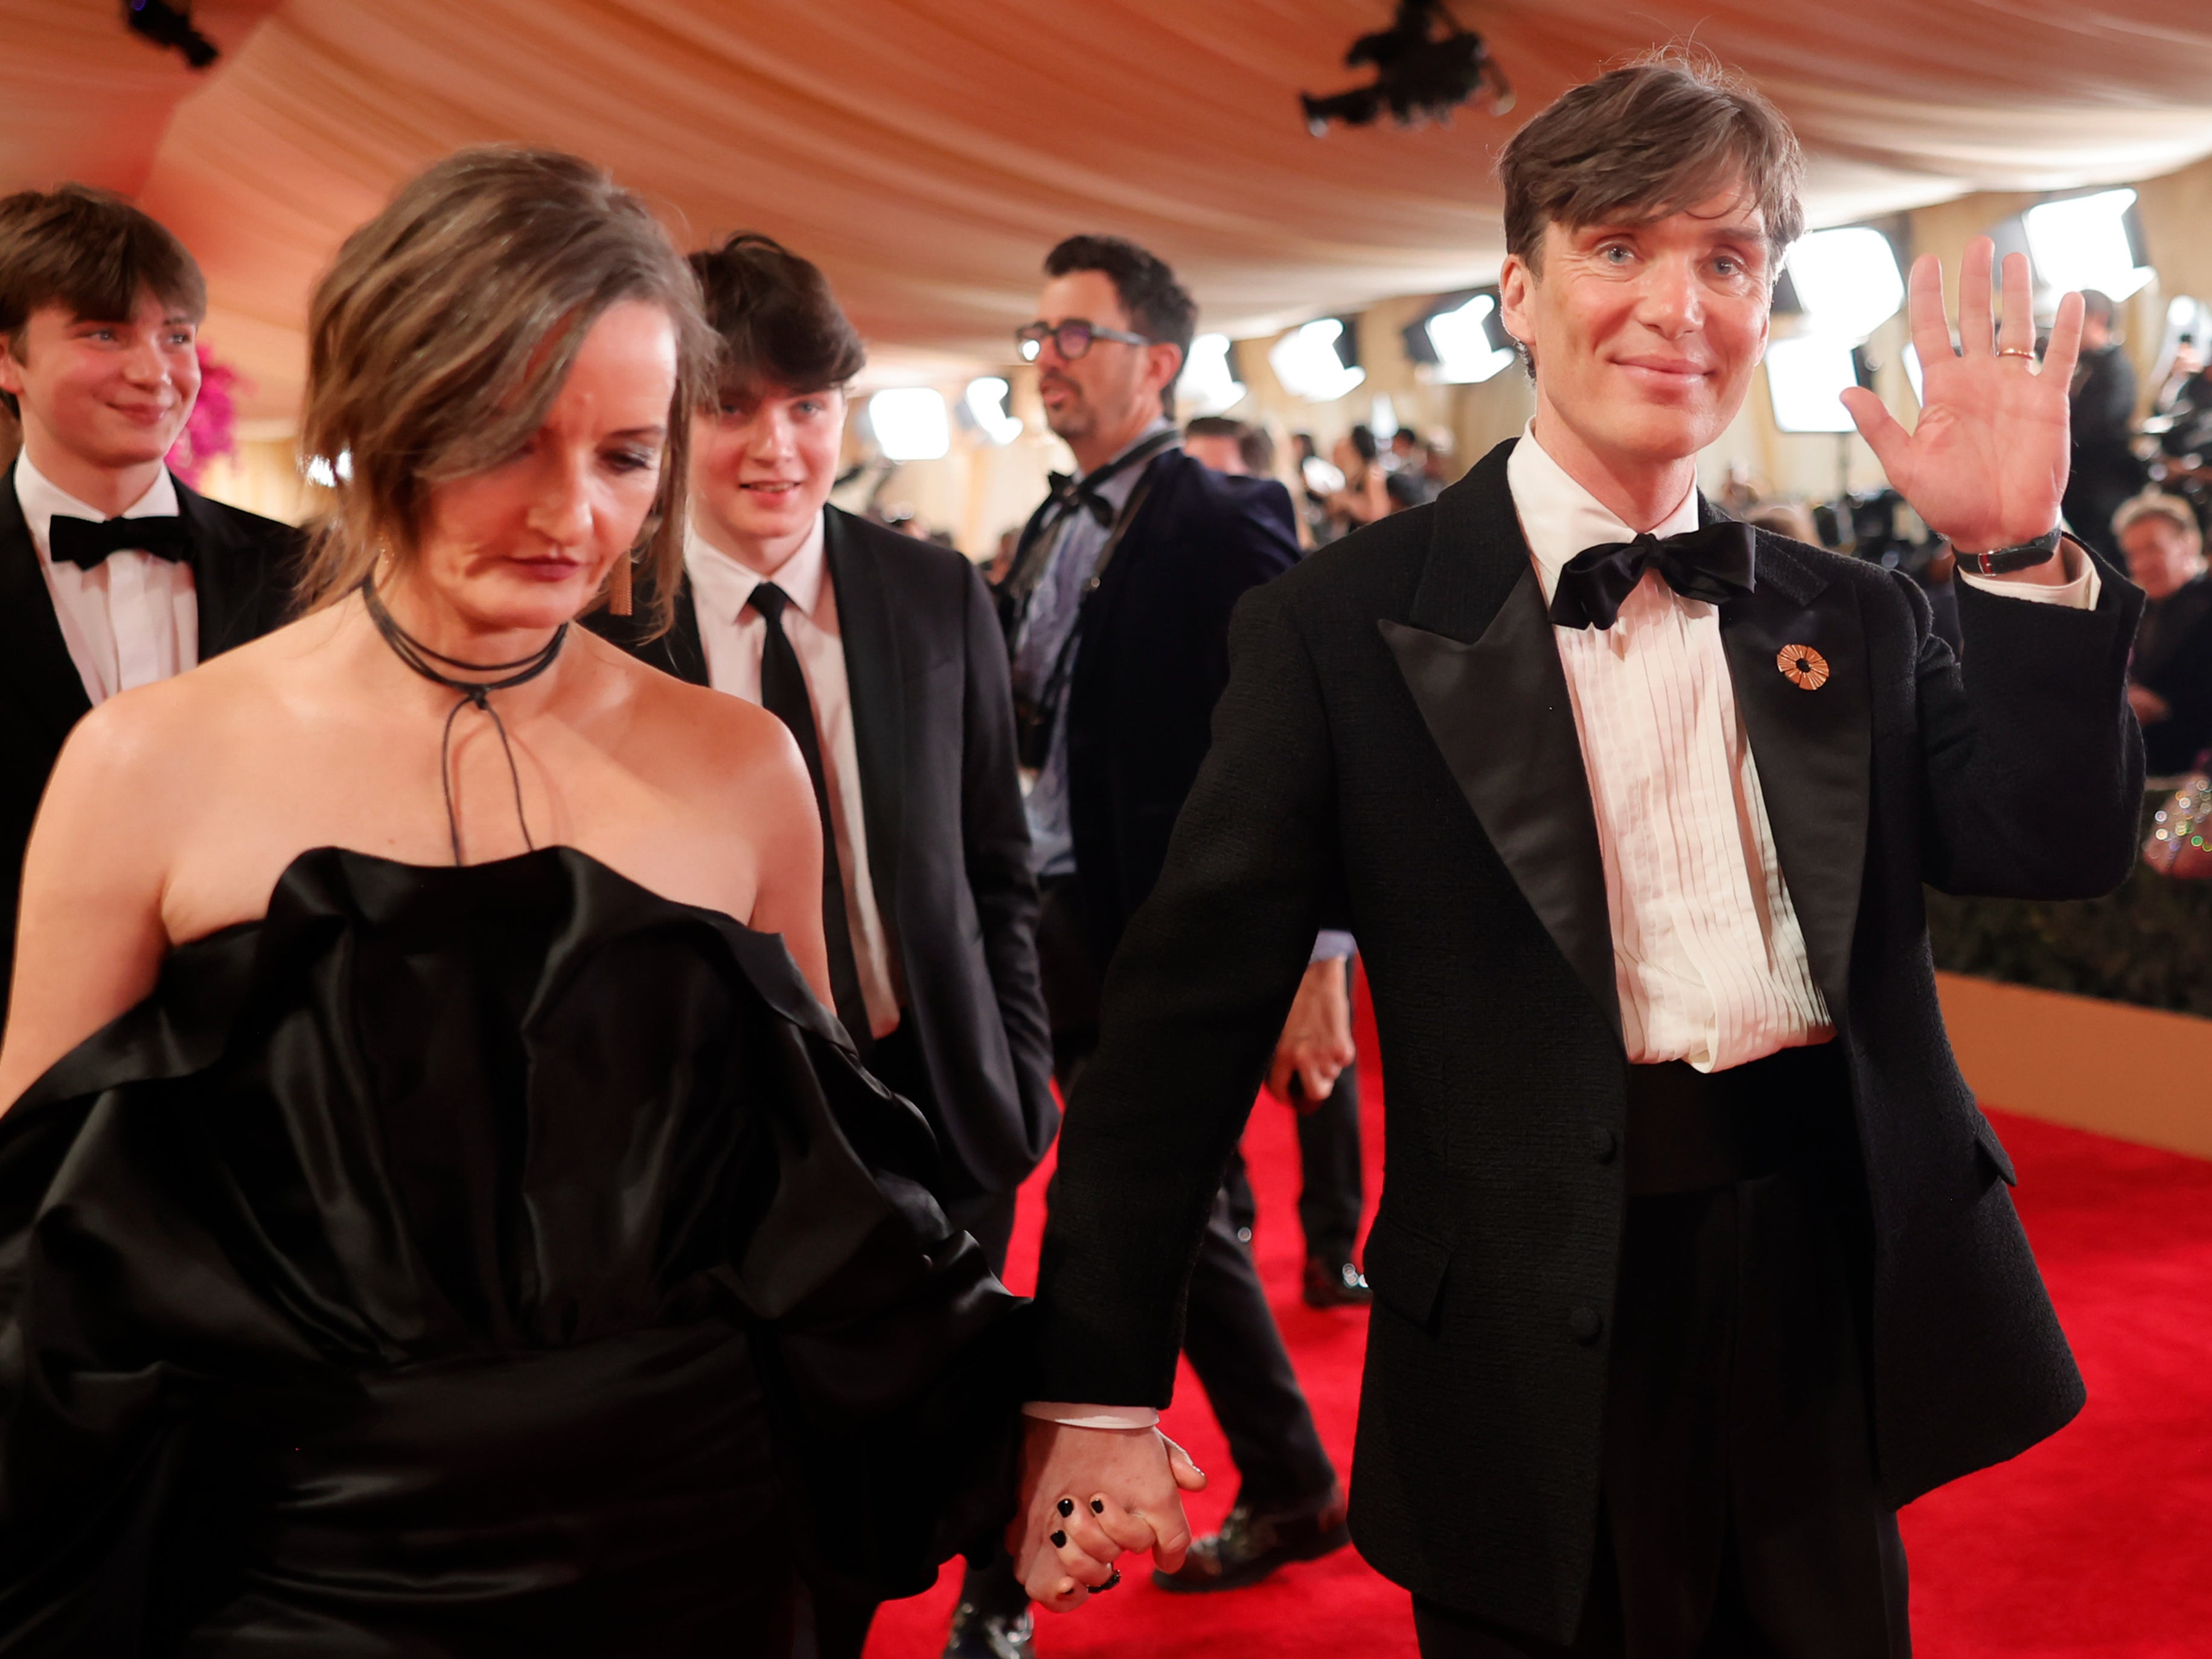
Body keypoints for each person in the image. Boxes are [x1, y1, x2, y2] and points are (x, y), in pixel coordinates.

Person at [1012, 56, 2141, 1659]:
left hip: (1825, 1290)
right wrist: (1098, 1382)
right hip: (1523, 1327)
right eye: (1619, 248)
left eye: (1728, 260)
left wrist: (2015, 555)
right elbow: (1177, 1036)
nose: (1679, 305)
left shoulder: (1856, 610)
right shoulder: (1338, 631)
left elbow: (2058, 840)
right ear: (1519, 294)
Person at [0, 149, 1020, 1655]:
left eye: (623, 454)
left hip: (706, 1553)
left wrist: (1070, 1399)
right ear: (375, 420)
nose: (570, 513)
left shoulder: (745, 768)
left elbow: (819, 1205)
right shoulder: (144, 764)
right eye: (504, 438)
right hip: (296, 1580)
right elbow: (41, 1256)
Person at [592, 229, 1058, 1656]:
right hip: (734, 1132)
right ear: (676, 416)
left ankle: (993, 1580)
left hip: (944, 1085)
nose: (779, 447)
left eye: (811, 406)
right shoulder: (609, 616)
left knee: (959, 1390)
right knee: (788, 1480)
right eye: (735, 407)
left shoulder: (932, 593)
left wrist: (1020, 1071)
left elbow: (995, 858)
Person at [993, 232, 1345, 1628]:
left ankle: (1290, 1472)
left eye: (1075, 336)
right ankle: (1270, 1467)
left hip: (1157, 920)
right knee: (1140, 1205)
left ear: (1157, 361)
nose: (1048, 361)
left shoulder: (1223, 514)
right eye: (1039, 337)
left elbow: (1306, 737)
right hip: (1052, 905)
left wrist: (1319, 953)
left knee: (1165, 1209)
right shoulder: (1050, 522)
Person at [0, 184, 299, 1032]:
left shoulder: (302, 572)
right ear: (8, 360)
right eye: (105, 332)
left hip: (260, 1049)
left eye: (176, 336)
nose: (155, 372)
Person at [1186, 418, 1373, 1306]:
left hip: (1300, 893)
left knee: (1323, 1080)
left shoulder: (1313, 608)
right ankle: (1235, 1221)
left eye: (1214, 480)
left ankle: (1334, 1247)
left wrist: (1329, 947)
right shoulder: (1170, 610)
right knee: (1208, 1071)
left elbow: (1339, 777)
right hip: (1199, 882)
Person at [2117, 490, 2212, 775]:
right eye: (2132, 554)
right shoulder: (2136, 614)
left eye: (2153, 548)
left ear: (2189, 544)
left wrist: (2167, 707)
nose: (2141, 564)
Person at [2063, 287, 2144, 562]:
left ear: (2098, 318)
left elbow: (2096, 425)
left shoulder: (2115, 369)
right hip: (2080, 487)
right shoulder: (2085, 366)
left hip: (2102, 487)